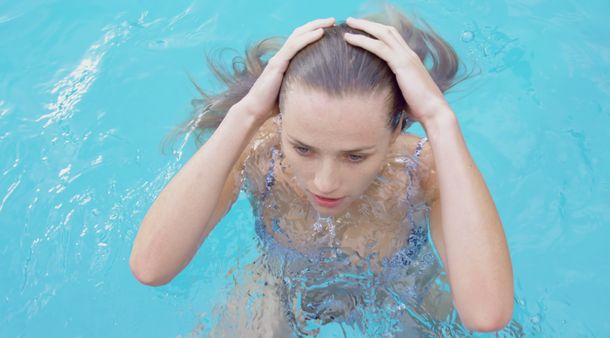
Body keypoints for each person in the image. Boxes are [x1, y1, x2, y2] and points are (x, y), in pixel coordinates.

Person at [130, 5, 514, 335]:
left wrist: (438, 118)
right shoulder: (261, 152)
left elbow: (486, 314)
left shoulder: (421, 169)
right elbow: (151, 267)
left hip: (404, 295)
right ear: (279, 118)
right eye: (303, 149)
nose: (325, 182)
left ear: (398, 128)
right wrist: (246, 113)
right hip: (281, 291)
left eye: (355, 156)